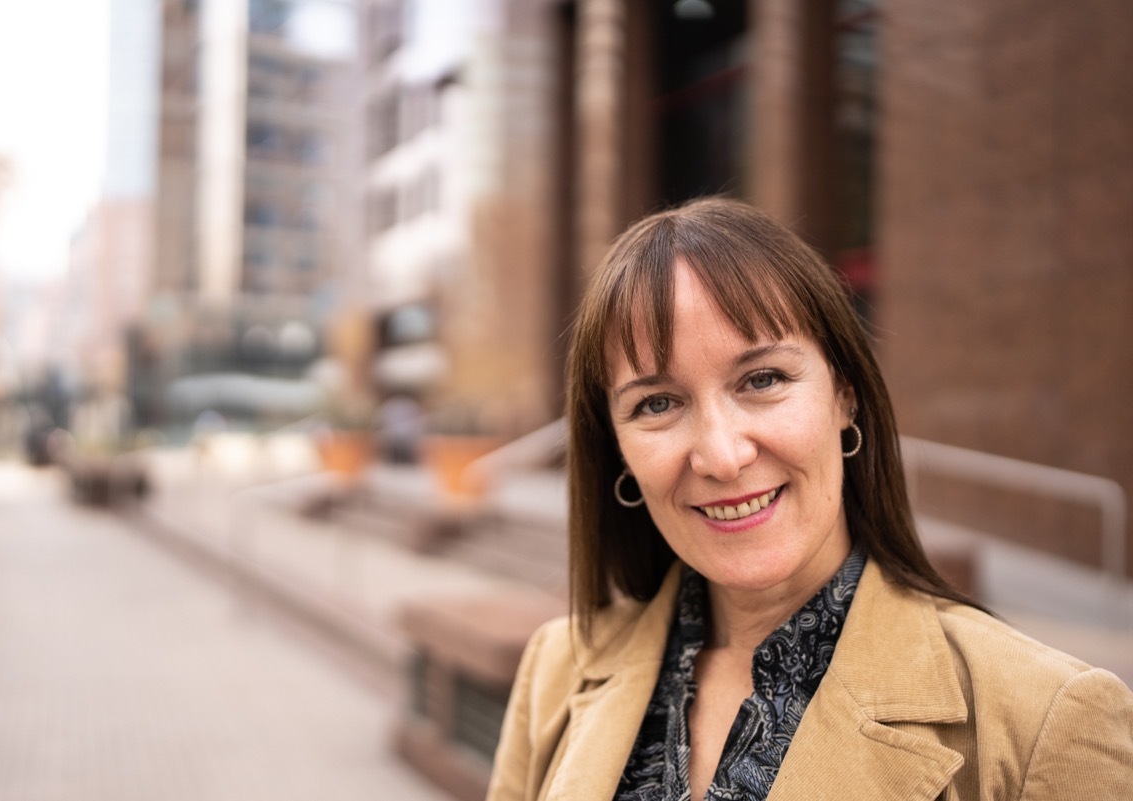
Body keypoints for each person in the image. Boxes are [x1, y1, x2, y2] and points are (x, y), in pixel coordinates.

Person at [485, 197, 1133, 801]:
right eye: (657, 403)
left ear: (844, 396)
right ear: (617, 447)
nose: (722, 454)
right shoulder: (556, 670)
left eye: (762, 378)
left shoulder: (1047, 718)